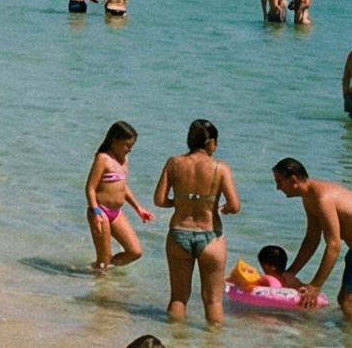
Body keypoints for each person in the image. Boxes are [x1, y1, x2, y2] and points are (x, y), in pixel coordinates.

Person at [272, 157, 352, 323]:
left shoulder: (323, 198)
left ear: (293, 179)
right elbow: (311, 239)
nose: (278, 187)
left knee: (350, 306)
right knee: (344, 302)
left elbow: (333, 245)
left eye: (280, 181)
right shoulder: (309, 198)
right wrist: (291, 272)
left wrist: (315, 286)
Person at [154, 119, 239, 325]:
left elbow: (159, 200)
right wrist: (225, 208)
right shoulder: (220, 167)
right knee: (213, 302)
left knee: (178, 298)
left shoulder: (173, 163)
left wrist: (181, 202)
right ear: (211, 143)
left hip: (178, 234)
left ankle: (175, 343)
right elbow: (235, 205)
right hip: (210, 236)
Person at [85, 120, 153, 271]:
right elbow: (90, 188)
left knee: (135, 251)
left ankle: (100, 269)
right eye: (127, 145)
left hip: (116, 213)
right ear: (114, 141)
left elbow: (122, 187)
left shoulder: (124, 160)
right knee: (104, 259)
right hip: (100, 211)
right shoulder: (103, 158)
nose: (130, 149)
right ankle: (102, 284)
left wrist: (138, 208)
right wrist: (95, 211)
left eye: (132, 146)